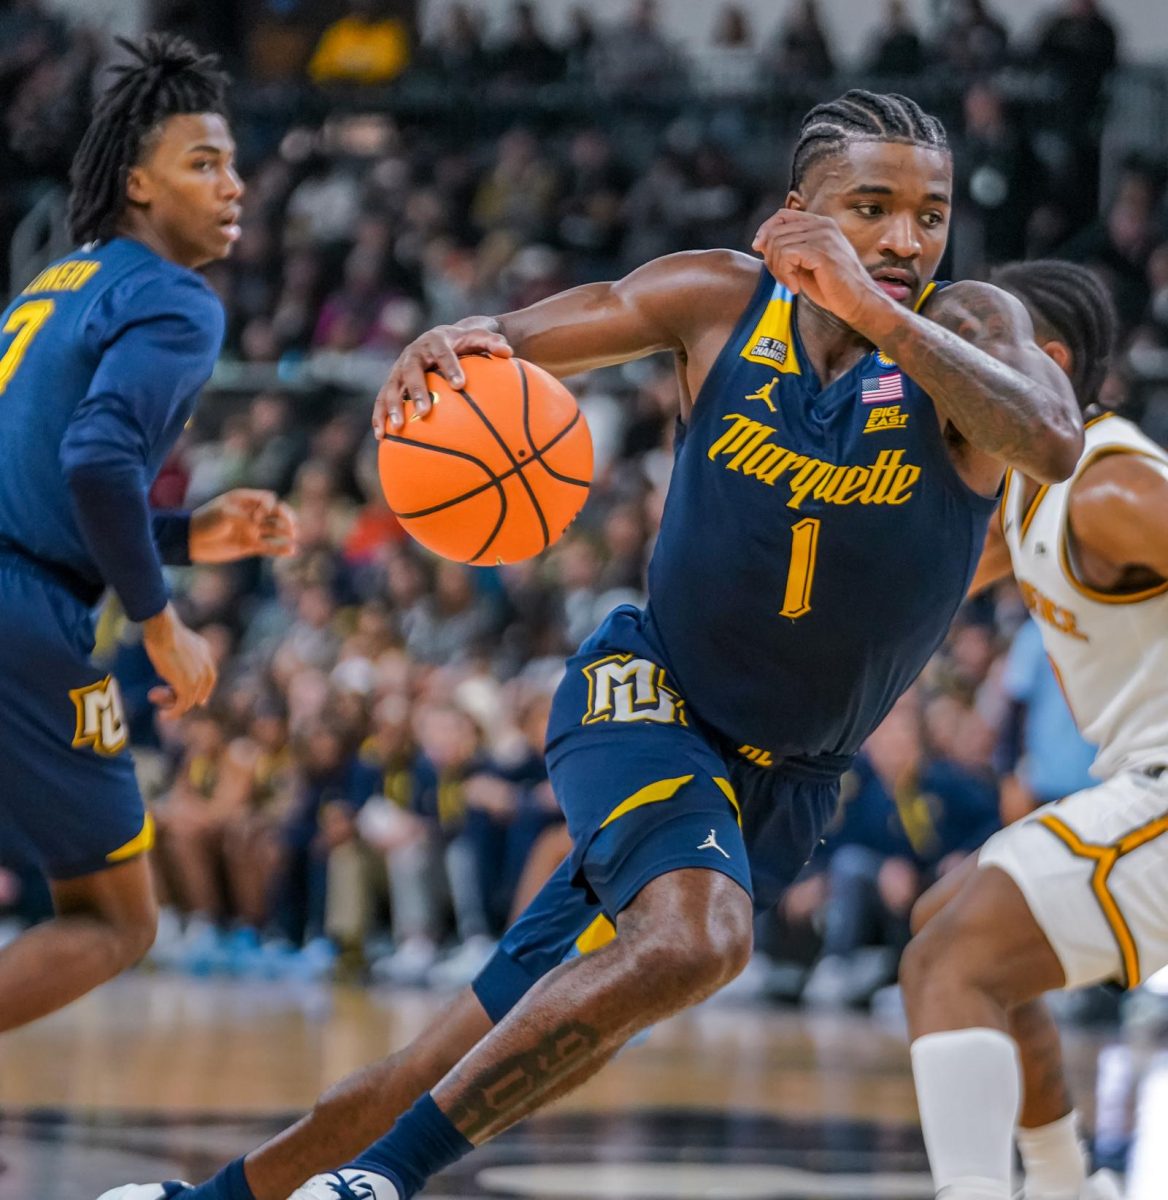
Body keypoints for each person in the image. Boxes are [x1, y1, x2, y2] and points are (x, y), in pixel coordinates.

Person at [101, 89, 1082, 1200]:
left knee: (464, 1046)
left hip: (790, 777)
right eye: (869, 208)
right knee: (698, 940)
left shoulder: (968, 333)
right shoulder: (719, 300)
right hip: (648, 693)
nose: (906, 239)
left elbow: (1050, 442)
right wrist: (446, 349)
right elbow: (508, 343)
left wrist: (873, 306)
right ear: (795, 214)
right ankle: (378, 1185)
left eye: (929, 215)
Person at [0, 34, 297, 1034]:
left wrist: (185, 532)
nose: (233, 186)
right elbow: (93, 462)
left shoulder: (55, 282)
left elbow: (49, 480)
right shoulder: (175, 298)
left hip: (18, 577)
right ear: (137, 184)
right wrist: (160, 618)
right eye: (202, 164)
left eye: (233, 162)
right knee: (118, 920)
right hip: (23, 618)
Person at [901, 260, 1159, 1200]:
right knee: (952, 934)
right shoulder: (1027, 497)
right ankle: (1063, 1184)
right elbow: (905, 587)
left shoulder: (1108, 486)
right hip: (1139, 788)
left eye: (964, 348)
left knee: (951, 961)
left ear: (1040, 362)